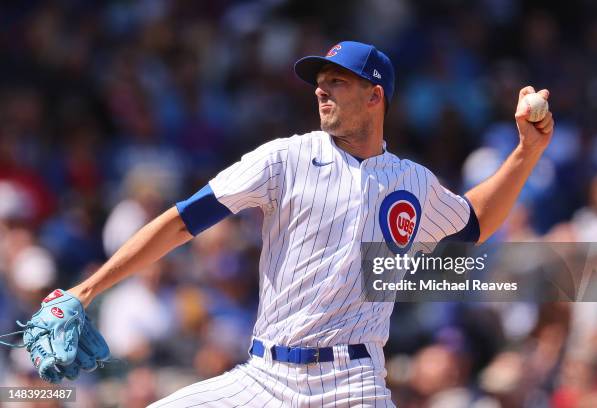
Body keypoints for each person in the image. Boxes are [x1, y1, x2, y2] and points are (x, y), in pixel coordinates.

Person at [63, 40, 553, 406]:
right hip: (264, 378)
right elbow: (182, 221)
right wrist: (85, 291)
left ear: (374, 95)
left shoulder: (412, 182)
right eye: (319, 81)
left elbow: (473, 222)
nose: (321, 89)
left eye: (337, 80)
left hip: (353, 384)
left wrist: (526, 152)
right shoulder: (285, 158)